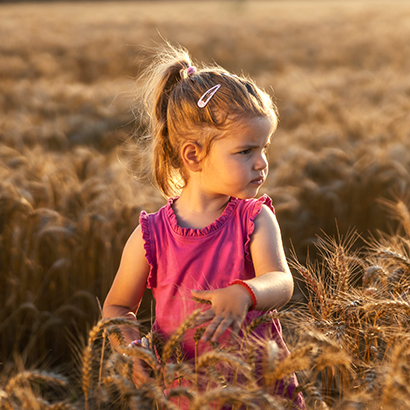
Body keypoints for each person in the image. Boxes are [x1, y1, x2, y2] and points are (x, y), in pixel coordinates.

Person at [103, 44, 305, 409]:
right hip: (188, 393)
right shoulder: (151, 236)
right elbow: (117, 307)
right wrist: (133, 350)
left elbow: (281, 280)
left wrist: (246, 292)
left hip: (260, 387)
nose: (262, 163)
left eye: (265, 148)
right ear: (194, 154)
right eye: (245, 151)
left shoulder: (254, 218)